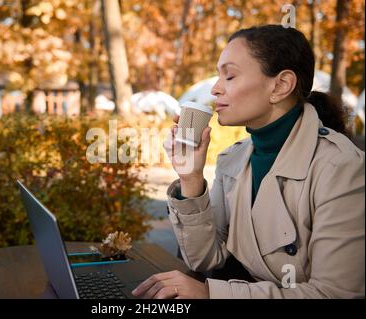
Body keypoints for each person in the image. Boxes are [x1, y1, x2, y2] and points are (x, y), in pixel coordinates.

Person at [132, 25, 365, 299]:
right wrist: (190, 179)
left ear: (280, 85)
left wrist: (211, 294)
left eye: (229, 76)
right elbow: (205, 259)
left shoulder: (340, 166)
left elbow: (334, 293)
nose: (216, 89)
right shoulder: (233, 159)